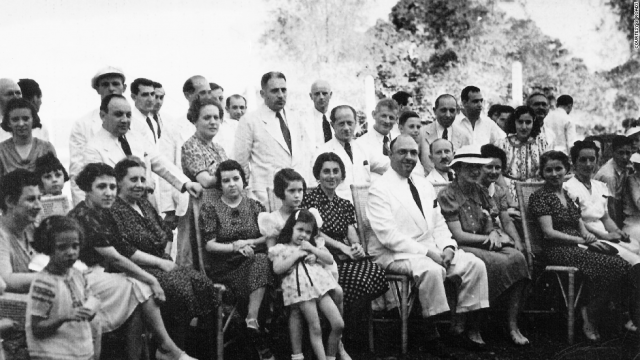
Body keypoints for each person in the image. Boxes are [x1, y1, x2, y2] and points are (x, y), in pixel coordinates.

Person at [367, 134, 489, 357]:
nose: (409, 157)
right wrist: (429, 253)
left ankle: (458, 328)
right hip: (394, 253)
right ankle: (430, 335)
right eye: (402, 152)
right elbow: (388, 236)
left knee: (474, 264)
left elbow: (439, 223)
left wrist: (447, 248)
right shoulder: (379, 188)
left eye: (413, 153)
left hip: (430, 248)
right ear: (390, 154)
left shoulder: (423, 184)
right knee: (431, 270)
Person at [69, 162, 197, 360]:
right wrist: (152, 279)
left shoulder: (103, 212)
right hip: (78, 279)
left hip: (100, 273)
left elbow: (121, 250)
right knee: (141, 287)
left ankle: (144, 354)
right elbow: (116, 258)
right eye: (101, 187)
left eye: (112, 187)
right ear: (87, 189)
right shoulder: (85, 215)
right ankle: (169, 349)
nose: (109, 192)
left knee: (138, 296)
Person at [108, 157, 218, 349]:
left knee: (203, 284)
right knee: (179, 289)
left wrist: (165, 256)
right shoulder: (114, 210)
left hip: (162, 262)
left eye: (143, 180)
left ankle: (198, 347)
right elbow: (125, 250)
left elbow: (166, 232)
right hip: (137, 269)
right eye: (133, 180)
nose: (140, 185)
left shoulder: (144, 204)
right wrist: (160, 263)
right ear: (118, 181)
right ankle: (169, 348)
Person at [529, 150, 638, 341]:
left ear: (566, 170)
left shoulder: (567, 195)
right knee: (615, 266)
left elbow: (579, 224)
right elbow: (549, 233)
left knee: (621, 263)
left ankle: (591, 310)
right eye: (549, 170)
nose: (554, 174)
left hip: (578, 246)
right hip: (557, 249)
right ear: (542, 173)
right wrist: (580, 240)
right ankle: (589, 317)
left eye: (558, 169)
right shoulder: (541, 197)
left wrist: (591, 238)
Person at [438, 145, 531, 345]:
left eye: (477, 167)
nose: (474, 171)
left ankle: (513, 324)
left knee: (518, 258)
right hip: (462, 246)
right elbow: (458, 235)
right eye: (468, 167)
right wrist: (489, 239)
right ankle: (474, 326)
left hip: (484, 241)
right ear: (457, 169)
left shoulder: (480, 191)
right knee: (493, 263)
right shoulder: (449, 194)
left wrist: (492, 232)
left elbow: (489, 219)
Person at [258, 168, 352, 360]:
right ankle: (299, 353)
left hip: (314, 271)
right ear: (280, 193)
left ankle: (337, 344)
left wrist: (315, 256)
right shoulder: (273, 219)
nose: (297, 195)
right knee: (298, 310)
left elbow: (318, 245)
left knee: (338, 294)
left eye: (300, 190)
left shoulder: (308, 216)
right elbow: (272, 254)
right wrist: (293, 257)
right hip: (289, 275)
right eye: (291, 191)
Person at [198, 159, 275, 360]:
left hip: (253, 261)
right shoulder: (211, 207)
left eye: (236, 178)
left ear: (243, 180)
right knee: (261, 265)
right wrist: (236, 246)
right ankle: (255, 328)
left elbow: (267, 236)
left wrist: (248, 242)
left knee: (261, 261)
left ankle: (251, 320)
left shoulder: (254, 206)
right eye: (226, 180)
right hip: (224, 268)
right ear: (220, 185)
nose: (232, 184)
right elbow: (209, 245)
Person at [302, 154, 388, 307]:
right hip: (322, 256)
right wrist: (344, 247)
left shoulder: (344, 204)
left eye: (336, 171)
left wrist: (356, 246)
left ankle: (350, 322)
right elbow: (314, 232)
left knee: (376, 272)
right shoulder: (309, 200)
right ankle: (346, 325)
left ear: (342, 175)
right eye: (326, 171)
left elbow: (350, 231)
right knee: (359, 280)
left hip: (344, 255)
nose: (332, 176)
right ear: (318, 174)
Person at [83, 94, 202, 204]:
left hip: (144, 203)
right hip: (116, 208)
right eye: (118, 114)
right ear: (103, 115)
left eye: (128, 115)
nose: (125, 120)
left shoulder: (136, 137)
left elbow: (159, 161)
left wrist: (186, 183)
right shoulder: (93, 149)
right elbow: (98, 189)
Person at [270, 209, 343, 360]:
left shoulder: (312, 247)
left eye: (308, 232)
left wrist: (313, 251)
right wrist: (295, 255)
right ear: (291, 228)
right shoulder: (282, 248)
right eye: (300, 229)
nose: (303, 235)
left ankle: (331, 356)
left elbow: (329, 260)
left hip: (321, 288)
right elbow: (277, 268)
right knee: (315, 327)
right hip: (301, 292)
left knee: (338, 324)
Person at [26, 216, 100, 360]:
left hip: (78, 349)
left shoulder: (78, 275)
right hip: (54, 353)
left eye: (75, 246)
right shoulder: (45, 283)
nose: (71, 252)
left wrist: (92, 307)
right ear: (48, 248)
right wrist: (64, 317)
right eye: (62, 247)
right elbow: (37, 328)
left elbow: (89, 298)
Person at [234, 71, 311, 206]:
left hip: (297, 193)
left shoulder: (296, 119)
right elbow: (240, 162)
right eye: (275, 91)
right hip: (265, 195)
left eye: (283, 90)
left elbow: (304, 155)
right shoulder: (250, 120)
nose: (280, 95)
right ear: (263, 94)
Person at [159, 75, 209, 266]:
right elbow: (165, 166)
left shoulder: (215, 122)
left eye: (208, 92)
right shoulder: (173, 128)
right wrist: (169, 209)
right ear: (188, 95)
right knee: (188, 251)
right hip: (186, 199)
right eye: (201, 92)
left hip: (212, 197)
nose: (205, 96)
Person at [69, 66, 127, 205]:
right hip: (104, 203)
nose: (111, 88)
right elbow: (78, 171)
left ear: (124, 87)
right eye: (105, 85)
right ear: (97, 89)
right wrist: (84, 209)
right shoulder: (83, 124)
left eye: (115, 84)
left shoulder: (137, 123)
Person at [314, 105, 387, 202]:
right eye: (341, 124)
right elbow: (316, 184)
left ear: (355, 123)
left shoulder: (364, 148)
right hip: (338, 209)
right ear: (332, 125)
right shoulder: (322, 152)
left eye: (349, 123)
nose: (346, 128)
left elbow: (387, 166)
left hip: (365, 207)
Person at [495, 105, 548, 202]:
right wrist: (509, 198)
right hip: (508, 193)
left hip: (537, 192)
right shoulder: (502, 144)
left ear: (534, 122)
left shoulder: (541, 143)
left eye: (528, 122)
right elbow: (497, 174)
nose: (524, 127)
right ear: (514, 122)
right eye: (520, 122)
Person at [0, 98, 56, 180]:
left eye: (26, 119)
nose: (21, 123)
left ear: (33, 120)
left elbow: (55, 182)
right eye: (15, 119)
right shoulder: (1, 151)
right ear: (8, 122)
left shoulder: (46, 148)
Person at [420, 94, 472, 174]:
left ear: (457, 111)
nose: (448, 115)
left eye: (452, 111)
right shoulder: (422, 133)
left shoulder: (464, 136)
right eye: (443, 110)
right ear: (434, 111)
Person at [595, 135, 635, 228]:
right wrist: (617, 229)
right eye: (620, 153)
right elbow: (611, 206)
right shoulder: (609, 175)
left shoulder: (627, 165)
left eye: (628, 153)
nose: (625, 157)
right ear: (613, 152)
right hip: (602, 212)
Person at [355, 98, 398, 181]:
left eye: (391, 117)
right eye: (383, 116)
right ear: (374, 114)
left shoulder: (400, 140)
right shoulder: (360, 144)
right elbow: (363, 176)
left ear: (396, 120)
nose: (387, 121)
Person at [33, 153, 70, 226]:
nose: (54, 180)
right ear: (40, 181)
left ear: (64, 176)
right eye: (47, 177)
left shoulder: (70, 203)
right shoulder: (37, 205)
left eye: (58, 175)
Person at [129, 78, 160, 147]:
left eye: (152, 94)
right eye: (145, 95)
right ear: (134, 97)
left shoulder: (153, 121)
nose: (151, 99)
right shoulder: (130, 122)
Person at [308, 80, 334, 151]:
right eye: (317, 94)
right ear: (311, 96)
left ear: (330, 95)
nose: (321, 97)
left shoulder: (335, 118)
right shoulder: (304, 121)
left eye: (324, 93)